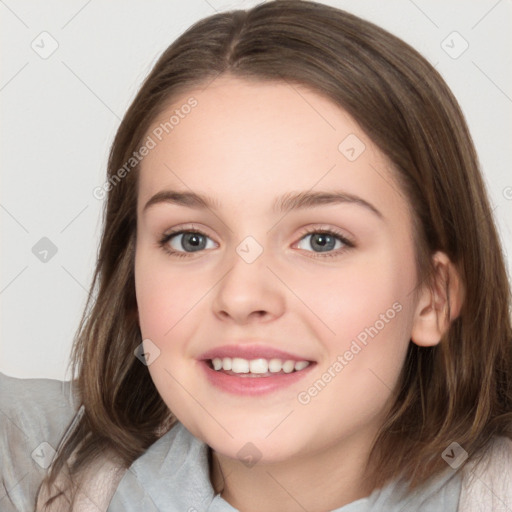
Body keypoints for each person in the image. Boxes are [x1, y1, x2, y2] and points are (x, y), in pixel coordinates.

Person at [2, 1, 512, 510]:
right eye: (191, 239)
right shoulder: (33, 465)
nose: (242, 296)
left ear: (433, 298)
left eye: (321, 240)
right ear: (133, 282)